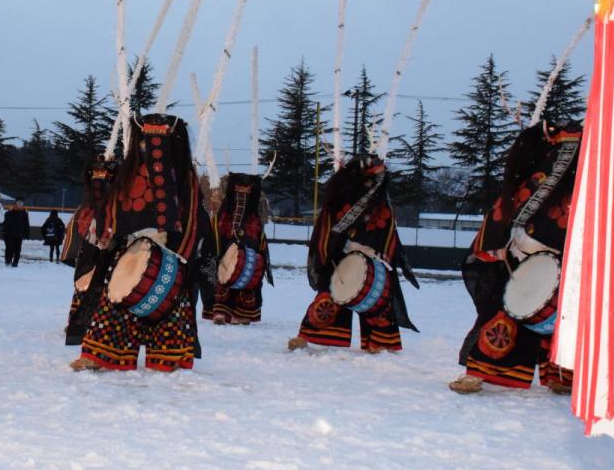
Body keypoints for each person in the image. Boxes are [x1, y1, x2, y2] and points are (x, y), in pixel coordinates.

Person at [450, 121, 581, 395]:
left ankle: (562, 374)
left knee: (563, 320)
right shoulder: (530, 183)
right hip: (518, 259)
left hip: (561, 264)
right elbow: (501, 218)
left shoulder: (582, 191)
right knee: (502, 315)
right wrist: (498, 247)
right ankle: (480, 372)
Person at [72, 114, 203, 372]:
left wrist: (181, 254)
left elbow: (194, 217)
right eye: (144, 142)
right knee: (113, 306)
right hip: (129, 248)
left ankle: (169, 357)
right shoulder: (127, 174)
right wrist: (101, 184)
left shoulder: (184, 177)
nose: (150, 148)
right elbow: (110, 212)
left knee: (172, 310)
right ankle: (101, 355)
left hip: (169, 250)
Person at [287, 154, 419, 354]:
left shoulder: (382, 203)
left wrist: (382, 255)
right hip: (342, 257)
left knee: (380, 302)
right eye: (368, 177)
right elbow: (325, 231)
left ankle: (379, 341)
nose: (372, 182)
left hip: (374, 259)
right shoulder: (338, 201)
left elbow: (389, 232)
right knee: (328, 295)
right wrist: (327, 256)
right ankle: (308, 335)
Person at [62, 157, 118, 345]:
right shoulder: (86, 206)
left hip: (107, 239)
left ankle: (100, 322)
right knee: (84, 282)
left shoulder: (113, 200)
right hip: (91, 243)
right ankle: (79, 321)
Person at [208, 172, 272, 325]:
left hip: (250, 241)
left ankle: (241, 312)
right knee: (223, 273)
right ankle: (221, 311)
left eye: (247, 188)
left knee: (248, 273)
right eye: (239, 188)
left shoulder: (257, 203)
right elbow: (220, 223)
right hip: (227, 240)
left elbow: (262, 221)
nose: (242, 192)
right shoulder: (227, 204)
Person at [2, 198, 30, 267]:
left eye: (21, 203)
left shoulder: (24, 212)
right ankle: (8, 260)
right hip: (10, 233)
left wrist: (27, 233)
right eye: (18, 202)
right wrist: (4, 231)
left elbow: (26, 223)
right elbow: (5, 221)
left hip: (19, 234)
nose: (20, 204)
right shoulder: (11, 211)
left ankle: (15, 263)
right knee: (10, 247)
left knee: (18, 250)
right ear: (15, 203)